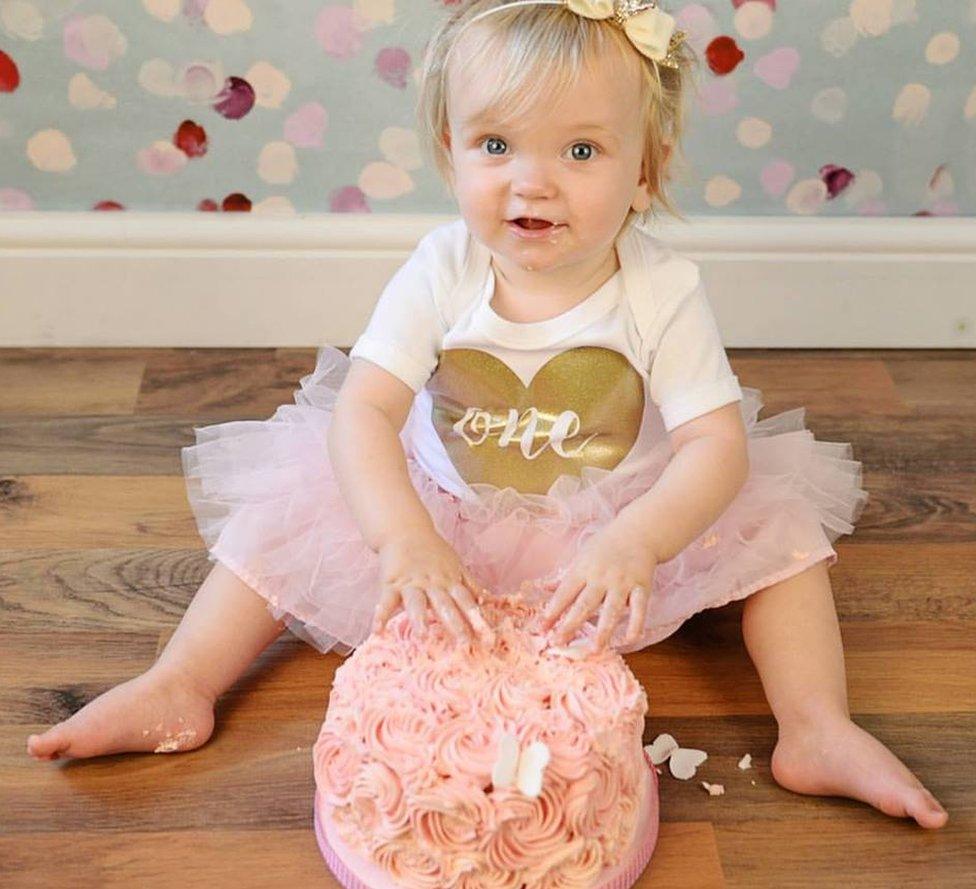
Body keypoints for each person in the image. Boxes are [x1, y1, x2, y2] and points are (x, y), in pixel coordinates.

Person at [26, 0, 947, 830]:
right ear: (450, 152)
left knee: (781, 532)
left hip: (614, 525)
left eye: (580, 151)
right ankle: (180, 682)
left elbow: (713, 441)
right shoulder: (443, 268)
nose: (532, 183)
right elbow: (365, 412)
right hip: (444, 511)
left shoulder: (661, 287)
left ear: (644, 170)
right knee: (282, 520)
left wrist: (641, 540)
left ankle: (816, 725)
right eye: (497, 146)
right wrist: (399, 538)